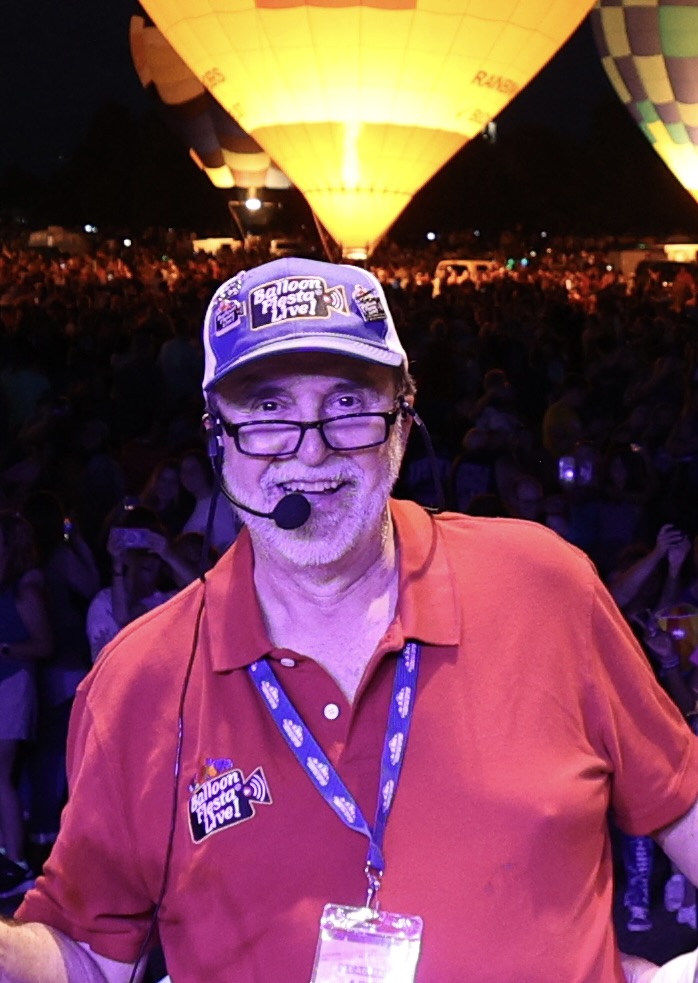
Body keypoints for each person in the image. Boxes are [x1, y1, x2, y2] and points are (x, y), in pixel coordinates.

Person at [3, 257, 698, 983]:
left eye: (347, 403)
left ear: (403, 420)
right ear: (218, 436)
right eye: (268, 408)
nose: (312, 449)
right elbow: (90, 961)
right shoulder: (140, 681)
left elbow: (681, 803)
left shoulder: (544, 589)